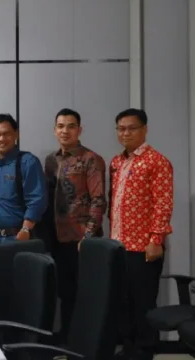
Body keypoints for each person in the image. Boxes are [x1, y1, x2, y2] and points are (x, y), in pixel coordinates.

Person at [110, 108, 173, 360]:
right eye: (121, 129)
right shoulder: (117, 162)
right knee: (122, 300)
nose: (125, 133)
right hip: (118, 245)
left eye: (131, 128)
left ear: (144, 129)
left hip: (144, 247)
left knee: (143, 302)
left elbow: (163, 204)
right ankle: (128, 348)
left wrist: (156, 240)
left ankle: (144, 351)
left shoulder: (157, 161)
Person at [43, 108, 107, 341]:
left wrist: (88, 236)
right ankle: (68, 336)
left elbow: (98, 200)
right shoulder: (51, 161)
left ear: (79, 130)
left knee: (85, 292)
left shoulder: (91, 159)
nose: (65, 131)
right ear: (55, 130)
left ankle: (84, 341)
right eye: (60, 126)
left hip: (82, 238)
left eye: (71, 126)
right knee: (65, 291)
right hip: (58, 236)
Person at [0, 114, 47, 245]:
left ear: (16, 134)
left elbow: (37, 199)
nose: (1, 139)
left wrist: (25, 229)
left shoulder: (28, 162)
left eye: (6, 134)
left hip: (19, 238)